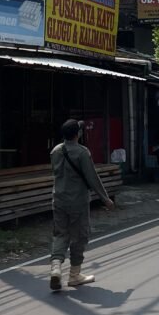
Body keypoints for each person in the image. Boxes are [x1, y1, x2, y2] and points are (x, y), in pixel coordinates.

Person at [49, 118, 114, 291]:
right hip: (77, 201)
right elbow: (92, 177)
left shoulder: (55, 151)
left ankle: (56, 267)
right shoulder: (82, 152)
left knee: (60, 234)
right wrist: (105, 198)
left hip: (58, 199)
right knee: (79, 236)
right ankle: (74, 275)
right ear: (77, 134)